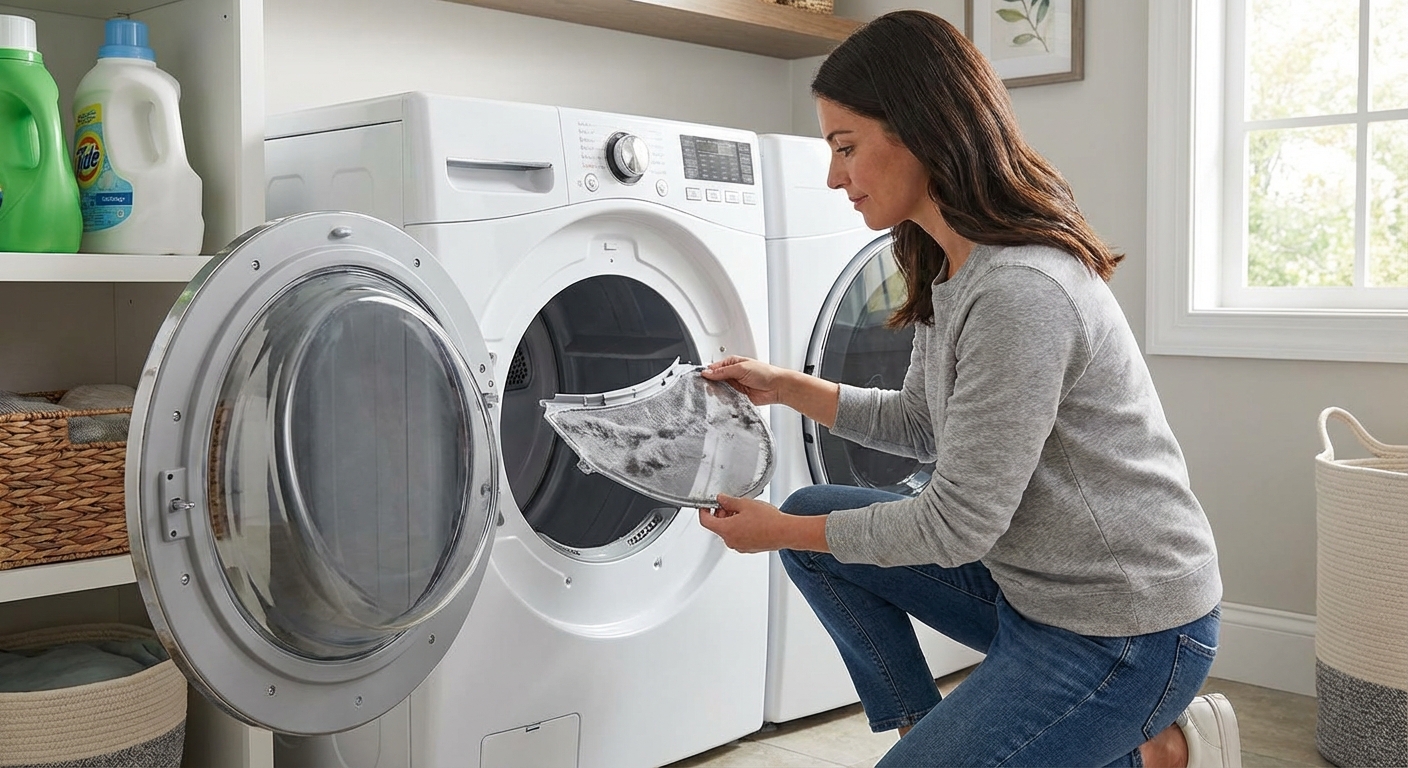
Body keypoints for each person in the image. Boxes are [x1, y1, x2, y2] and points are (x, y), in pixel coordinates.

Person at [697, 10, 1240, 768]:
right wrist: (787, 387)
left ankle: (1147, 735)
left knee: (799, 530)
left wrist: (775, 534)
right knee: (815, 518)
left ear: (921, 127)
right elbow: (924, 424)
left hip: (1125, 627)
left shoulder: (1020, 288)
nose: (833, 176)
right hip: (1034, 592)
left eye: (845, 147)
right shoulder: (951, 261)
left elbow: (957, 528)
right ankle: (978, 737)